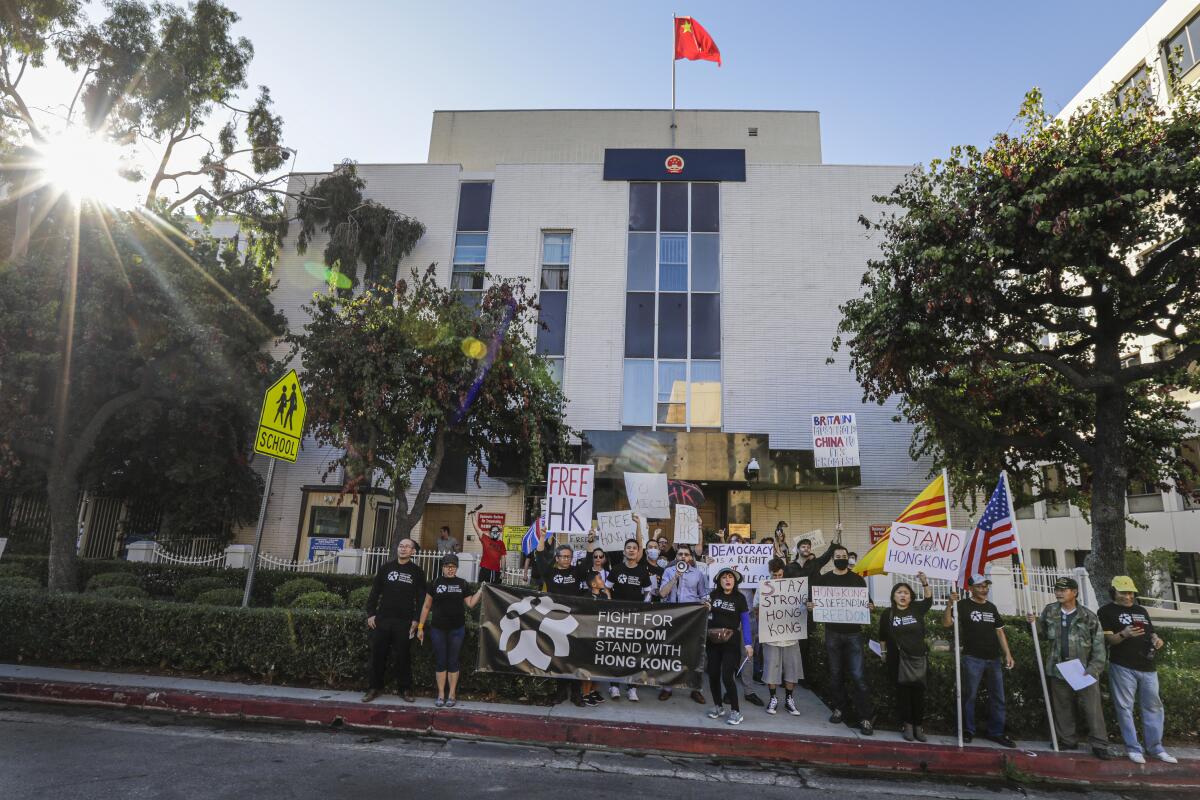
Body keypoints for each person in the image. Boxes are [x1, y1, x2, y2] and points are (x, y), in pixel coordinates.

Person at [1028, 576, 1114, 759]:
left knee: (1092, 709)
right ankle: (1067, 740)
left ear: (1074, 592)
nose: (1058, 593)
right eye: (1057, 589)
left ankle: (1099, 744)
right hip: (1059, 669)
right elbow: (1042, 635)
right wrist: (1033, 624)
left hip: (1083, 670)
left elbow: (1099, 646)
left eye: (1063, 590)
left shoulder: (1088, 616)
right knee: (1062, 707)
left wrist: (1094, 668)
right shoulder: (1050, 611)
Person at [1098, 575, 1177, 764]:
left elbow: (1151, 633)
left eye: (1131, 593)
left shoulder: (1141, 610)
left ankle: (1155, 748)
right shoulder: (1105, 611)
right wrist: (1124, 634)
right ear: (1113, 593)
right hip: (1122, 666)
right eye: (1123, 593)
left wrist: (1157, 640)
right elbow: (1109, 640)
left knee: (1154, 707)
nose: (1128, 596)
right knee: (1125, 708)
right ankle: (1133, 748)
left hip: (1148, 666)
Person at [942, 578, 1015, 747]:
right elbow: (947, 623)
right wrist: (949, 604)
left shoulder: (991, 607)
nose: (984, 589)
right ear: (970, 588)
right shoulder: (963, 605)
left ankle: (996, 732)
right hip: (972, 658)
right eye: (979, 586)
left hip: (994, 659)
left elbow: (1000, 632)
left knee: (998, 697)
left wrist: (1008, 654)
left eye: (986, 586)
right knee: (970, 697)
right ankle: (968, 730)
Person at [810, 544, 875, 735]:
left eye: (844, 555)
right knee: (835, 674)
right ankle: (840, 709)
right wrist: (811, 606)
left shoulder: (857, 580)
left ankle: (865, 717)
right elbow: (814, 602)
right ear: (833, 559)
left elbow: (867, 602)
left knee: (858, 676)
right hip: (832, 633)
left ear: (848, 558)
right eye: (837, 555)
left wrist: (870, 607)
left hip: (854, 633)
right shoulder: (824, 580)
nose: (841, 557)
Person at [363, 538, 428, 703]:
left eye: (407, 547)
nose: (403, 549)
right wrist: (371, 613)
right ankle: (374, 688)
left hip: (404, 621)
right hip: (382, 620)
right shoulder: (386, 568)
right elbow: (375, 592)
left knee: (403, 657)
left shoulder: (417, 572)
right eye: (401, 546)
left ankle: (405, 689)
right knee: (377, 655)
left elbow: (421, 599)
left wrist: (416, 619)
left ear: (413, 551)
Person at [417, 553, 483, 707]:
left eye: (453, 566)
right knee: (441, 661)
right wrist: (420, 627)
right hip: (438, 629)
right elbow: (426, 606)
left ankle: (452, 694)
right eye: (447, 566)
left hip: (457, 629)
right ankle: (441, 694)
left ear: (457, 568)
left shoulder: (462, 584)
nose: (450, 569)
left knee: (453, 661)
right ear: (442, 567)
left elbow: (471, 603)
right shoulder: (434, 583)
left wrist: (480, 591)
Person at [535, 536, 590, 706]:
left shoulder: (576, 572)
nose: (566, 559)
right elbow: (539, 556)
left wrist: (590, 542)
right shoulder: (550, 572)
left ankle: (576, 693)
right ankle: (560, 693)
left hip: (573, 620)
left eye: (569, 557)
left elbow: (587, 563)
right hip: (555, 620)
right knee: (558, 656)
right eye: (563, 556)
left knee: (574, 658)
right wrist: (542, 537)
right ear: (557, 558)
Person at [878, 573, 933, 741]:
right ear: (894, 596)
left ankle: (918, 726)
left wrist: (924, 582)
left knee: (918, 693)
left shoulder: (916, 609)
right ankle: (907, 725)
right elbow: (882, 636)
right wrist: (884, 653)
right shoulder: (888, 614)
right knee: (903, 694)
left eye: (906, 593)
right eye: (899, 592)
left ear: (911, 596)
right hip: (898, 659)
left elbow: (929, 600)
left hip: (918, 658)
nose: (903, 595)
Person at [657, 544, 710, 704]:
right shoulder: (669, 572)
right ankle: (667, 687)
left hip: (692, 619)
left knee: (694, 654)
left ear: (691, 558)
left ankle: (695, 689)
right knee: (670, 653)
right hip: (673, 618)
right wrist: (675, 577)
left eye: (686, 555)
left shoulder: (698, 574)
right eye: (680, 554)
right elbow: (662, 593)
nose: (683, 557)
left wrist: (707, 603)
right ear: (676, 557)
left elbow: (704, 594)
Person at [606, 537, 654, 700]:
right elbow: (607, 589)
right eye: (629, 547)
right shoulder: (616, 569)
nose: (632, 550)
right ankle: (614, 686)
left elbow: (648, 592)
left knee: (633, 653)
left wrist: (642, 609)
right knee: (616, 652)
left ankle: (632, 687)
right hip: (617, 617)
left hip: (636, 618)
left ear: (638, 551)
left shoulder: (642, 571)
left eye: (634, 547)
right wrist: (611, 606)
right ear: (624, 551)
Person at [784, 537, 837, 686]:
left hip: (809, 611)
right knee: (790, 644)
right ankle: (788, 677)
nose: (806, 549)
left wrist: (837, 534)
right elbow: (782, 587)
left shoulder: (815, 564)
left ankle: (804, 677)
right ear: (798, 549)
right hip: (791, 611)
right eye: (803, 546)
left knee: (806, 645)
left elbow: (828, 554)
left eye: (808, 547)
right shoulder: (789, 567)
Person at [705, 567, 754, 726]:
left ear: (735, 581)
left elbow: (745, 622)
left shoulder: (740, 598)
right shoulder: (712, 596)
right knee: (712, 674)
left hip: (731, 643)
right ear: (719, 580)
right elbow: (703, 615)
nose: (727, 580)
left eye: (730, 577)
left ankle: (736, 711)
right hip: (712, 641)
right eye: (724, 577)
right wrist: (704, 607)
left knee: (727, 676)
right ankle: (718, 707)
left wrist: (748, 643)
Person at [759, 559, 803, 715]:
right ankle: (773, 698)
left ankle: (789, 700)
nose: (777, 578)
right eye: (774, 575)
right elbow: (756, 610)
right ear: (769, 573)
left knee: (792, 668)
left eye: (779, 575)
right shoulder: (763, 588)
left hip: (791, 636)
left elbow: (801, 609)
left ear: (784, 572)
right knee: (771, 668)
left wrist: (807, 606)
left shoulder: (794, 588)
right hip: (771, 636)